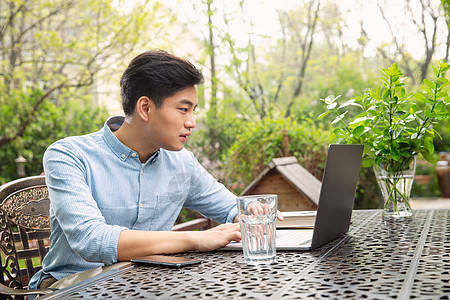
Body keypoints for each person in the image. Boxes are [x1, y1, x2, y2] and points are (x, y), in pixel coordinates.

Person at [29, 49, 244, 290]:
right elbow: (91, 240)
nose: (192, 122)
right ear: (145, 108)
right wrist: (195, 238)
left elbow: (234, 209)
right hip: (73, 288)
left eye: (194, 110)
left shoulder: (182, 163)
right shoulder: (69, 155)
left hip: (149, 286)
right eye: (184, 109)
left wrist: (254, 214)